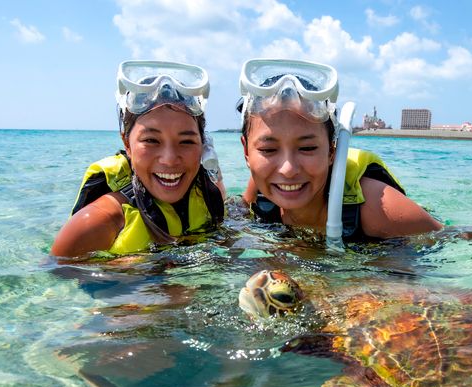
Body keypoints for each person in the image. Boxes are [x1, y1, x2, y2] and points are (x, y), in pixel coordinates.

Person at [238, 58, 442, 242]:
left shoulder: (379, 208)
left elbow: (449, 241)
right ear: (247, 152)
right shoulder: (259, 187)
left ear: (332, 151)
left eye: (307, 148)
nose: (287, 169)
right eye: (268, 150)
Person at [52, 60, 225, 259]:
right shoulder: (96, 223)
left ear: (202, 145)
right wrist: (139, 273)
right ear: (127, 143)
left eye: (186, 141)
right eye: (151, 140)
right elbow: (56, 279)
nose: (169, 160)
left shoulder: (210, 198)